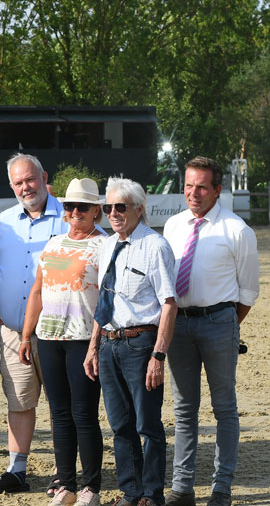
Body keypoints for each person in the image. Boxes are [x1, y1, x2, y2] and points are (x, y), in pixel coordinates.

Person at [163, 157, 260, 506]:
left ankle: (221, 488)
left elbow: (248, 292)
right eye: (189, 185)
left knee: (224, 408)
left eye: (202, 186)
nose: (194, 193)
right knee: (184, 410)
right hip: (179, 325)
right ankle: (182, 487)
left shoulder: (237, 230)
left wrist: (226, 323)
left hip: (220, 322)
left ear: (218, 190)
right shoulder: (173, 226)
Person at [0, 153, 69, 496]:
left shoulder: (69, 218)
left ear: (44, 176)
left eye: (30, 179)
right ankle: (17, 471)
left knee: (62, 404)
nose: (25, 187)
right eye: (18, 182)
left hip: (57, 331)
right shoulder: (3, 222)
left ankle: (64, 472)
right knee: (19, 401)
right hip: (14, 332)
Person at [83, 177, 177, 506]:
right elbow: (104, 301)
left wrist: (159, 355)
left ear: (139, 209)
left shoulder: (156, 246)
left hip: (141, 344)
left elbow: (169, 303)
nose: (113, 213)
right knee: (120, 425)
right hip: (109, 343)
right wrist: (94, 345)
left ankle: (152, 494)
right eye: (108, 208)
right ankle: (130, 491)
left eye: (120, 207)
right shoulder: (107, 245)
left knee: (148, 425)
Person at [18, 178, 106, 506]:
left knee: (84, 413)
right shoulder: (53, 244)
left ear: (96, 210)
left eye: (82, 207)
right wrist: (27, 336)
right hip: (49, 337)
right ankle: (66, 484)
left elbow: (108, 300)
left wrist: (98, 344)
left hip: (84, 339)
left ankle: (91, 487)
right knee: (59, 413)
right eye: (69, 206)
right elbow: (37, 291)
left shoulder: (104, 245)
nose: (75, 212)